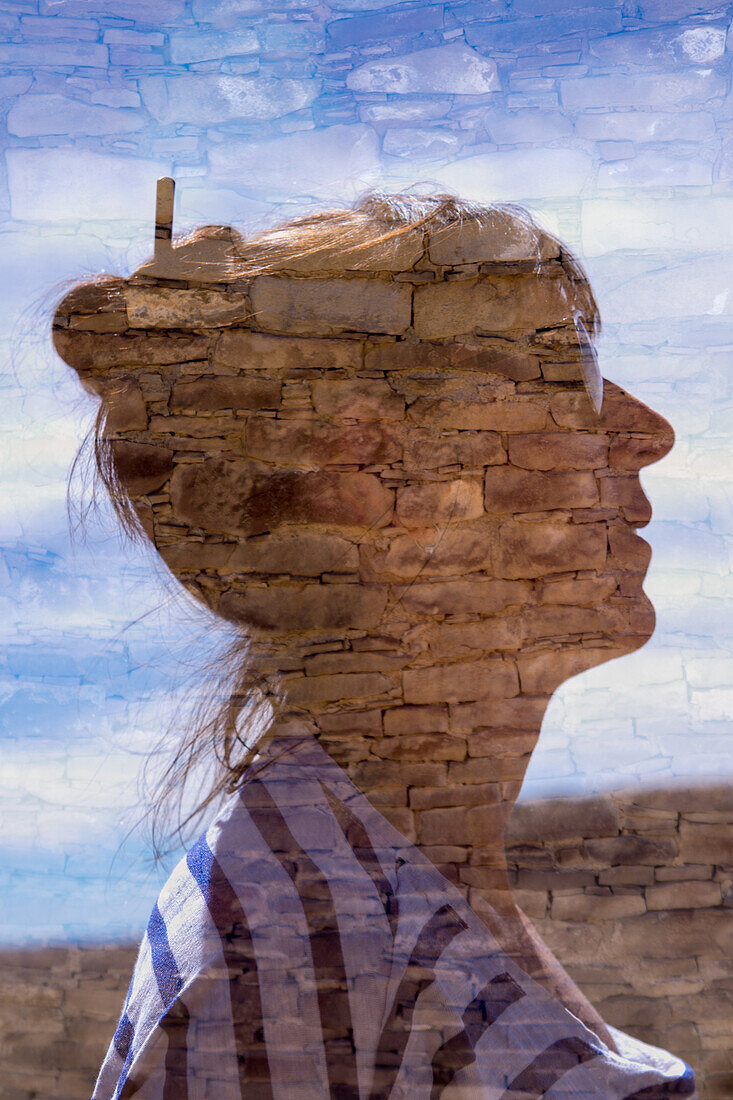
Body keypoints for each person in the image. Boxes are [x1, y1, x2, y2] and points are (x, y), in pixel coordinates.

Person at [53, 183, 696, 1098]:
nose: (647, 431)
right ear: (370, 476)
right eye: (567, 369)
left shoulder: (360, 896)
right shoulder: (292, 956)